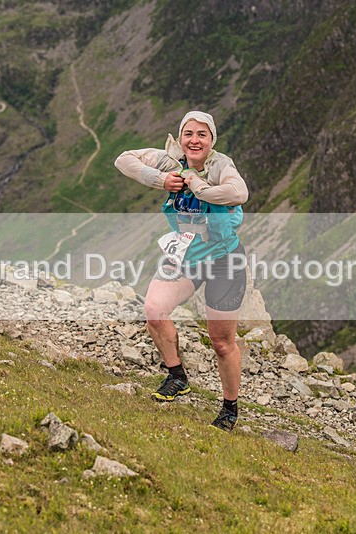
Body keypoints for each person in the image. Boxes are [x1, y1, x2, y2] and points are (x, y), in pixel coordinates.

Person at [114, 111, 249, 431]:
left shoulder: (221, 166)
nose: (194, 140)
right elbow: (124, 159)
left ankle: (229, 408)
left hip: (224, 259)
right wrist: (161, 180)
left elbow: (239, 193)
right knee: (154, 310)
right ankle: (177, 377)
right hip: (185, 253)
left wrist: (197, 186)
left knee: (222, 342)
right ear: (180, 138)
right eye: (188, 133)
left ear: (212, 140)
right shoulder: (171, 160)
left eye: (202, 134)